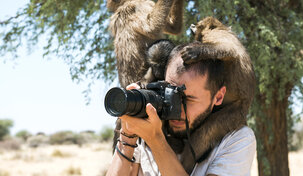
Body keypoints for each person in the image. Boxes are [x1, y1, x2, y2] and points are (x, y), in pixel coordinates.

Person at [106, 44, 256, 176]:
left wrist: (156, 140)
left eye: (187, 99)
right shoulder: (148, 123)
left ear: (218, 97)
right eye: (169, 94)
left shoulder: (237, 139)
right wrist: (127, 137)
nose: (175, 107)